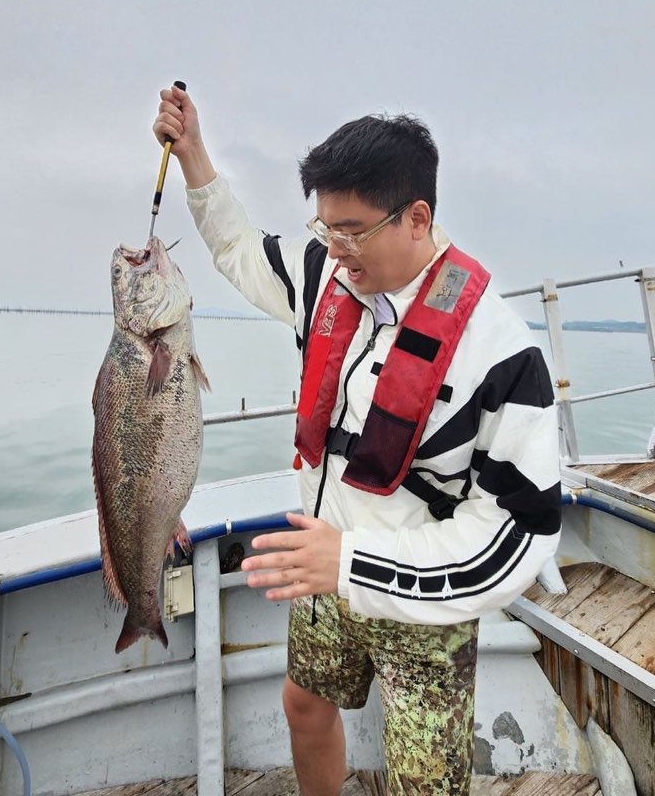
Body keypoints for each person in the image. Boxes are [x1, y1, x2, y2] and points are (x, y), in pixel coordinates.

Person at [153, 86, 561, 796]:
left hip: (422, 594)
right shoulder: (325, 276)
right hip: (322, 565)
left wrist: (353, 562)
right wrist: (193, 155)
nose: (335, 252)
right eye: (324, 230)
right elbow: (240, 250)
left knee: (425, 783)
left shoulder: (502, 354)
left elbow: (517, 537)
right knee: (304, 704)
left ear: (417, 218)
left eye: (351, 232)